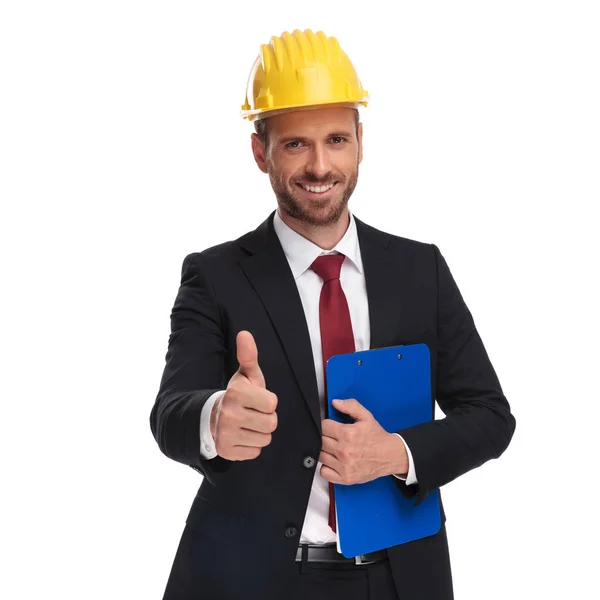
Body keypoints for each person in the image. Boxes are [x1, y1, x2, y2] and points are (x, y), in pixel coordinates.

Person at [150, 28, 516, 600]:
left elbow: (491, 417)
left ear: (361, 142)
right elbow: (170, 414)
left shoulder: (421, 270)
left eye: (337, 139)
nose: (320, 166)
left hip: (398, 579)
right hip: (251, 579)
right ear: (259, 151)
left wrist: (400, 452)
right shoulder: (215, 275)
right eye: (296, 144)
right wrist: (215, 418)